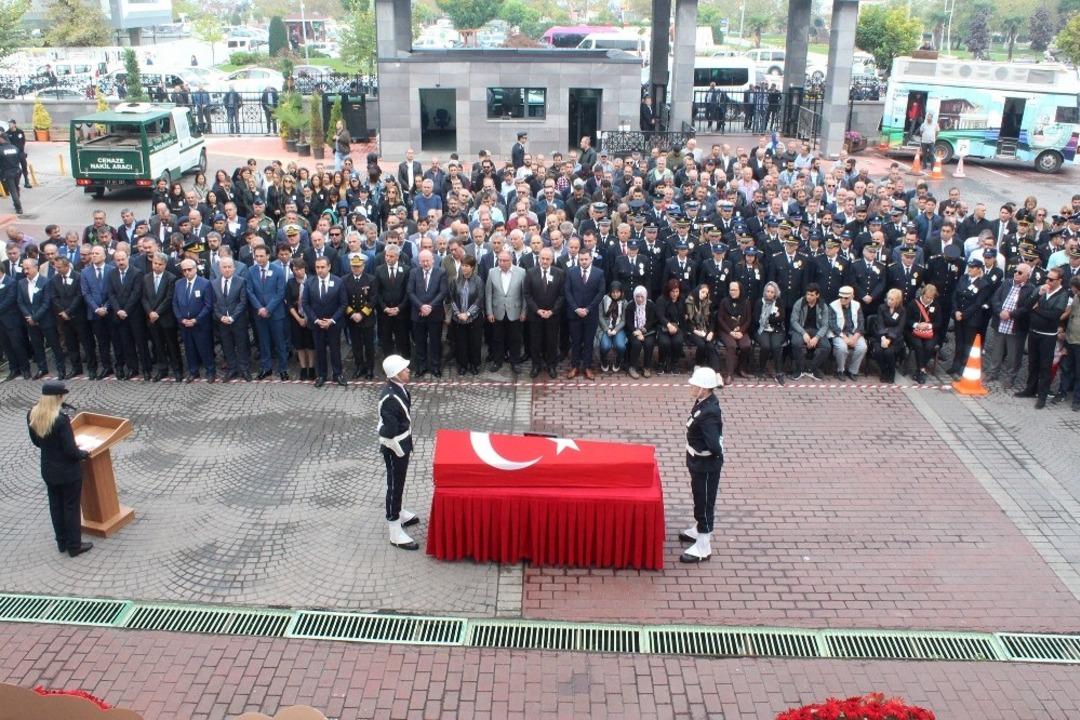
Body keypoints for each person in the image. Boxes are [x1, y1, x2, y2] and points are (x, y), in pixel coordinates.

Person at [27, 381, 92, 557]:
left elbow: (36, 442)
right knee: (71, 507)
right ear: (58, 397)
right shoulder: (61, 420)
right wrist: (83, 454)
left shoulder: (32, 414)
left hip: (48, 469)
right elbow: (70, 451)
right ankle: (74, 546)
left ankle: (62, 542)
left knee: (55, 506)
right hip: (68, 472)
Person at [679, 366, 724, 564]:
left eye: (695, 384)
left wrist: (704, 453)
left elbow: (714, 445)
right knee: (699, 496)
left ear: (704, 389)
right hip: (699, 462)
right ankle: (699, 529)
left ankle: (703, 546)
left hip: (706, 466)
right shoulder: (704, 402)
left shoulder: (709, 412)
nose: (691, 387)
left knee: (705, 502)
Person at [378, 354, 420, 551]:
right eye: (404, 369)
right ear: (395, 374)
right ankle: (394, 527)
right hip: (396, 447)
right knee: (394, 485)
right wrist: (388, 440)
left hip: (402, 444)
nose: (408, 370)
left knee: (399, 482)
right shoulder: (391, 397)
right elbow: (388, 429)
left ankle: (399, 511)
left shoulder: (399, 390)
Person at [1015, 266, 1070, 408]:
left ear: (1059, 281)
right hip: (1034, 331)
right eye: (1047, 278)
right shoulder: (1041, 290)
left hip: (1048, 335)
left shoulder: (1063, 294)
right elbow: (1027, 306)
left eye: (1051, 279)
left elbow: (1054, 316)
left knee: (1045, 367)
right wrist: (1038, 294)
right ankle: (1030, 389)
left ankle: (1042, 395)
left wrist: (1037, 309)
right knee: (1032, 363)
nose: (1048, 281)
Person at [18, 258, 64, 379]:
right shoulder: (21, 283)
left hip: (46, 321)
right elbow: (20, 302)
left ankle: (61, 369)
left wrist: (35, 317)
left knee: (55, 346)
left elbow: (46, 302)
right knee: (37, 347)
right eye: (24, 268)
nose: (25, 271)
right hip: (31, 322)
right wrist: (28, 316)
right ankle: (42, 368)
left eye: (28, 268)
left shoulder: (45, 282)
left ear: (36, 267)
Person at [564, 248, 605, 379]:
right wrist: (576, 308)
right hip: (574, 314)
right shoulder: (571, 272)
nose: (583, 261)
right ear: (578, 259)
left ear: (591, 258)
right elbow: (567, 292)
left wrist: (588, 309)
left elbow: (600, 293)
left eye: (586, 259)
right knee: (575, 342)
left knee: (588, 342)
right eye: (581, 259)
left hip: (590, 314)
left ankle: (587, 367)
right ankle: (575, 366)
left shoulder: (599, 273)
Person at [523, 247, 563, 379]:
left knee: (552, 341)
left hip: (553, 316)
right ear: (539, 259)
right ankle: (536, 365)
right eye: (542, 258)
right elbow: (527, 294)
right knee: (535, 341)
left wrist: (553, 311)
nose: (545, 261)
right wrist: (537, 310)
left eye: (548, 259)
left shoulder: (559, 273)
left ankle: (551, 365)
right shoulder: (530, 273)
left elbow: (562, 296)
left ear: (552, 260)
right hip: (535, 315)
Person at [307, 256, 347, 387]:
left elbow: (343, 304)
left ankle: (338, 374)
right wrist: (316, 320)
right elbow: (305, 304)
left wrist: (332, 320)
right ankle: (321, 375)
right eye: (317, 267)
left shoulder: (338, 281)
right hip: (317, 324)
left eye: (322, 267)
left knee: (335, 350)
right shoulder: (309, 282)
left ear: (329, 267)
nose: (320, 270)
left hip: (333, 324)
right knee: (320, 350)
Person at [407, 249, 447, 377]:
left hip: (435, 314)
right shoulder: (413, 272)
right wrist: (421, 306)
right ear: (419, 262)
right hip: (418, 314)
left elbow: (443, 292)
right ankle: (421, 366)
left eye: (427, 261)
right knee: (420, 342)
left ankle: (435, 366)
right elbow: (410, 292)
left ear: (433, 261)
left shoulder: (441, 272)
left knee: (435, 341)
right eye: (423, 261)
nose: (425, 264)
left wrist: (429, 307)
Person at [173, 257, 214, 382]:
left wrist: (197, 319)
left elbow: (208, 305)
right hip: (185, 324)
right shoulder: (178, 284)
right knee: (189, 349)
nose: (186, 272)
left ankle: (210, 371)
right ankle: (193, 371)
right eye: (184, 270)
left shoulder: (205, 283)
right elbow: (175, 303)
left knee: (204, 348)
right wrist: (181, 319)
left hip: (200, 324)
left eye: (189, 270)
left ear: (195, 269)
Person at [485, 249, 526, 373]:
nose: (502, 263)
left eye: (505, 260)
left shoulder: (521, 272)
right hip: (497, 311)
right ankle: (497, 361)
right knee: (497, 338)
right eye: (500, 260)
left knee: (515, 339)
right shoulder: (492, 272)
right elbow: (488, 294)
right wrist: (489, 312)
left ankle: (515, 362)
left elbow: (525, 294)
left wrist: (524, 311)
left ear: (511, 260)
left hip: (515, 311)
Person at [213, 256, 251, 381]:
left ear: (234, 268)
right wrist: (221, 317)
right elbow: (213, 304)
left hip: (238, 320)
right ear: (220, 269)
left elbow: (243, 302)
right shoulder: (214, 284)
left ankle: (244, 369)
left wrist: (233, 317)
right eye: (224, 267)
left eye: (230, 267)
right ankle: (232, 368)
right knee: (227, 346)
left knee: (242, 345)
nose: (227, 269)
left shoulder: (241, 281)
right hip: (222, 321)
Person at [449, 255, 484, 376]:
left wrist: (468, 313)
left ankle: (474, 365)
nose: (464, 268)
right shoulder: (455, 280)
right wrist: (458, 313)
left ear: (473, 267)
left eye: (467, 266)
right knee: (461, 343)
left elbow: (479, 299)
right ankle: (462, 365)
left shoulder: (478, 280)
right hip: (458, 318)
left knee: (474, 342)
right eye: (462, 265)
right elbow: (451, 298)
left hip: (474, 318)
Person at [342, 254, 377, 379]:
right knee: (356, 345)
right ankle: (359, 367)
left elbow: (372, 300)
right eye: (354, 266)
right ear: (350, 267)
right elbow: (344, 301)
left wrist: (362, 314)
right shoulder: (345, 280)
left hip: (366, 318)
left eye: (358, 266)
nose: (356, 269)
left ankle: (370, 369)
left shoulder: (371, 279)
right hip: (352, 318)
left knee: (369, 345)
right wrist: (352, 314)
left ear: (363, 266)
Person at [789, 284, 831, 380]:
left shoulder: (823, 306)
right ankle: (800, 369)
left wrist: (817, 337)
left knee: (826, 347)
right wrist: (803, 333)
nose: (808, 296)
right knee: (796, 343)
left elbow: (825, 325)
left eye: (812, 295)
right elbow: (793, 321)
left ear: (817, 295)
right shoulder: (799, 303)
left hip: (817, 330)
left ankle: (811, 368)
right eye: (807, 294)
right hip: (800, 329)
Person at [906, 283, 945, 385]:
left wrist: (928, 326)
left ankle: (919, 369)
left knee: (929, 346)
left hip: (929, 332)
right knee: (918, 345)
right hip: (914, 332)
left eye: (930, 298)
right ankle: (922, 371)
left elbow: (939, 322)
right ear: (922, 294)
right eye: (926, 297)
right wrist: (916, 325)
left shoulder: (936, 306)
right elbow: (907, 320)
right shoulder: (913, 304)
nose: (928, 299)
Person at [827, 285, 867, 381]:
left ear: (852, 297)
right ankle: (840, 370)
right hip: (839, 333)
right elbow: (832, 325)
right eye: (840, 297)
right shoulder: (833, 305)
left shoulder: (857, 305)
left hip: (854, 333)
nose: (842, 299)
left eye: (845, 298)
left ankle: (853, 371)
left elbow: (861, 322)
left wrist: (855, 337)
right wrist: (845, 338)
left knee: (862, 347)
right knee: (842, 348)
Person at [716, 280, 751, 384]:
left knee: (746, 345)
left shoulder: (746, 302)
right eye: (731, 290)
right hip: (726, 331)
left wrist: (741, 331)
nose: (733, 292)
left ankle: (741, 368)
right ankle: (729, 374)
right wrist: (730, 332)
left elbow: (748, 319)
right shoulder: (724, 301)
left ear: (740, 290)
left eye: (735, 290)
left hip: (741, 330)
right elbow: (720, 319)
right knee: (731, 346)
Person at [286, 258, 315, 380]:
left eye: (301, 269)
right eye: (295, 269)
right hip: (296, 318)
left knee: (311, 344)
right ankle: (303, 368)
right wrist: (298, 319)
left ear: (305, 269)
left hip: (311, 317)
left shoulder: (312, 280)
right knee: (300, 344)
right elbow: (289, 303)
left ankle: (312, 367)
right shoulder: (290, 283)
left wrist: (308, 317)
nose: (298, 272)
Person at [873, 288, 907, 383]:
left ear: (897, 300)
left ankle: (892, 372)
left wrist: (889, 339)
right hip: (881, 336)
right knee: (878, 352)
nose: (890, 301)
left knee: (889, 352)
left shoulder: (902, 310)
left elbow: (900, 327)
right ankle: (884, 371)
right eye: (888, 299)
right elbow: (880, 323)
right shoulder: (881, 308)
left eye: (892, 299)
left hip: (895, 338)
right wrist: (883, 338)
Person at [624, 285, 657, 378]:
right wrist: (636, 332)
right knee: (636, 344)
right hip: (633, 331)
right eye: (637, 296)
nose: (639, 299)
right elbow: (628, 322)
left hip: (647, 331)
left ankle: (647, 367)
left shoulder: (650, 305)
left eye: (642, 296)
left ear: (645, 296)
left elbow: (652, 320)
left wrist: (643, 330)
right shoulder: (630, 305)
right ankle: (632, 367)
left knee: (649, 343)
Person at [596, 281, 627, 373]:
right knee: (605, 346)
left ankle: (618, 361)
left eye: (617, 292)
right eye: (613, 292)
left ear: (621, 292)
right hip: (606, 327)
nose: (615, 294)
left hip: (618, 328)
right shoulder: (604, 300)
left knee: (621, 346)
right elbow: (600, 316)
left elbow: (623, 320)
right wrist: (607, 329)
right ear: (610, 292)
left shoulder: (624, 302)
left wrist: (616, 330)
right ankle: (604, 361)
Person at [656, 279, 685, 374]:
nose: (675, 294)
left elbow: (682, 316)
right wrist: (668, 325)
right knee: (665, 342)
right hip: (663, 326)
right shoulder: (661, 299)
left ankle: (674, 363)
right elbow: (660, 315)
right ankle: (661, 362)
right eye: (672, 291)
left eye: (677, 291)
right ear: (668, 291)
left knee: (678, 341)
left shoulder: (682, 300)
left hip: (677, 327)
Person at [0, 133, 24, 215]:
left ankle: (19, 208)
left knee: (13, 190)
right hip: (17, 171)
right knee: (16, 188)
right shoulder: (14, 148)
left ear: (2, 139)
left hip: (8, 172)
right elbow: (21, 158)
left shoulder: (1, 149)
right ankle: (17, 203)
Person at [6, 119, 29, 189]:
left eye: (11, 124)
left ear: (14, 124)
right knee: (16, 169)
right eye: (9, 124)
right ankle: (16, 184)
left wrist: (21, 149)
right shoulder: (7, 133)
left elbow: (23, 141)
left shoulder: (20, 132)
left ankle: (26, 181)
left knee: (24, 167)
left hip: (21, 153)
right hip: (13, 155)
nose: (10, 125)